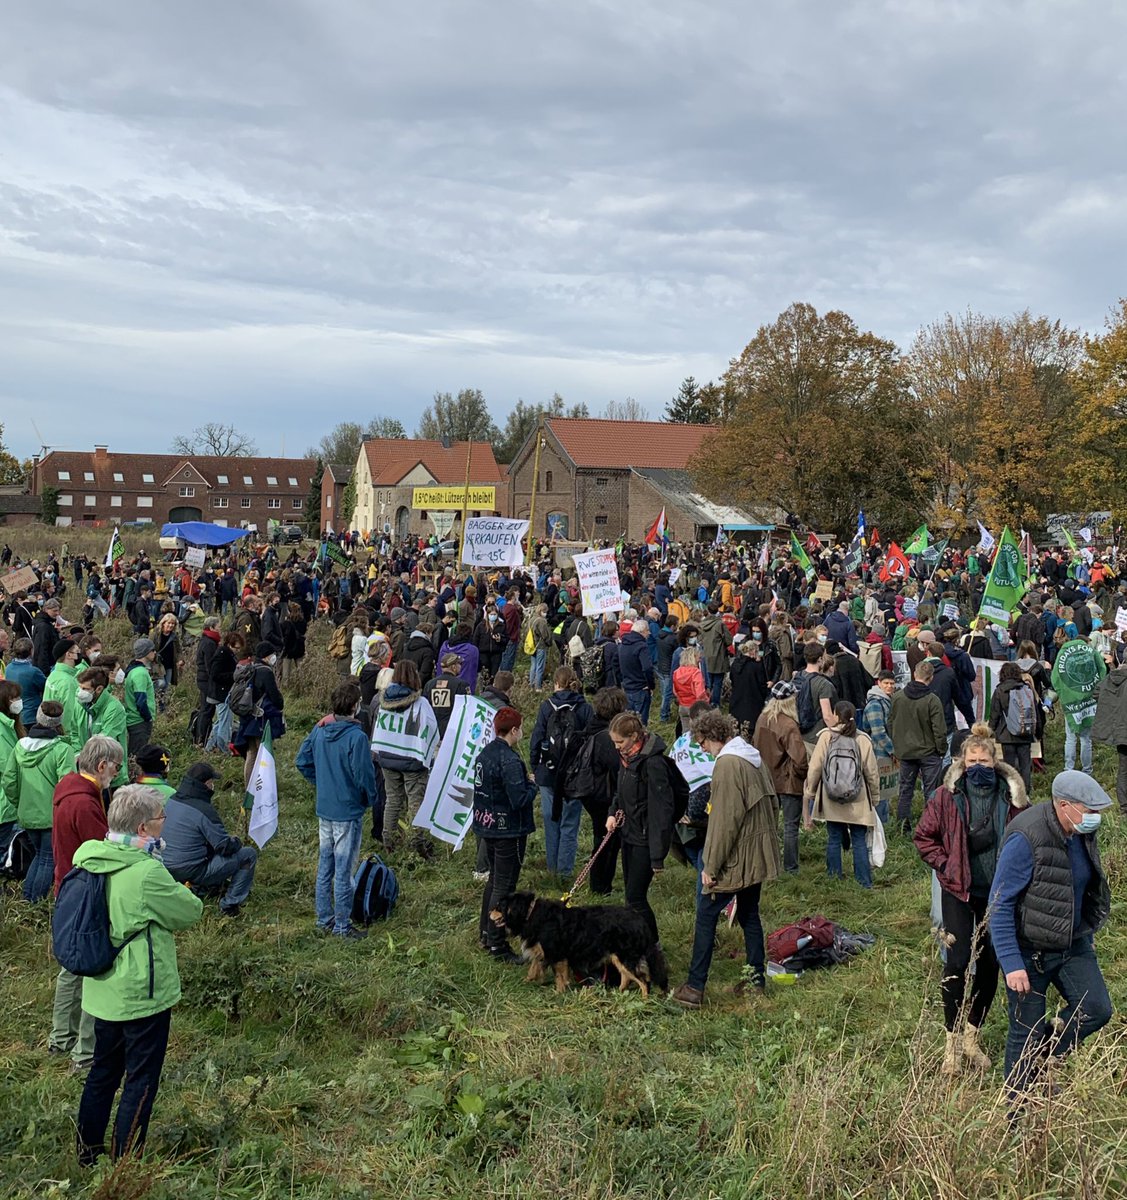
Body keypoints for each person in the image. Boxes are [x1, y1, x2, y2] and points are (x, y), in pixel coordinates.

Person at [73, 784, 202, 1165]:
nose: (165, 822)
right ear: (143, 828)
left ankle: (87, 1152)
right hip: (142, 992)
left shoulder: (91, 857)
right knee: (141, 1080)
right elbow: (190, 910)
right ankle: (125, 1161)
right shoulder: (147, 871)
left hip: (102, 987)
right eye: (162, 818)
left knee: (103, 1072)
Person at [989, 770, 1113, 1105]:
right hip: (1029, 953)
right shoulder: (1026, 838)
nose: (1095, 817)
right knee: (1025, 1034)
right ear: (1064, 805)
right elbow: (999, 905)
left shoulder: (1081, 832)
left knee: (1097, 1009)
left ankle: (1042, 1060)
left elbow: (1080, 885)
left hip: (1073, 944)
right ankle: (1017, 1113)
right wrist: (1011, 964)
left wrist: (1085, 928)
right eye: (1089, 811)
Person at [913, 724, 1029, 1076]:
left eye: (984, 761)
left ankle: (971, 1037)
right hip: (959, 889)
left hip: (998, 894)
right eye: (972, 761)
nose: (979, 766)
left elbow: (1029, 838)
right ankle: (950, 1044)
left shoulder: (1013, 797)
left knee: (991, 964)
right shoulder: (946, 796)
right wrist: (947, 863)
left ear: (995, 761)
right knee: (958, 961)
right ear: (962, 762)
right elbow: (924, 837)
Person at [672, 711, 779, 1008]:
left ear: (713, 736)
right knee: (749, 914)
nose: (702, 749)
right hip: (758, 850)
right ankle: (755, 982)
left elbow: (724, 822)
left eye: (702, 742)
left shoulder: (728, 764)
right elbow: (774, 802)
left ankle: (695, 987)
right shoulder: (752, 756)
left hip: (737, 855)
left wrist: (711, 865)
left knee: (706, 915)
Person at [49, 735, 123, 1073]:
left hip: (67, 885)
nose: (117, 773)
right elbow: (101, 852)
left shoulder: (69, 788)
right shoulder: (85, 803)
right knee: (91, 967)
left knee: (70, 967)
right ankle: (84, 1051)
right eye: (116, 767)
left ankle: (60, 1037)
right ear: (102, 765)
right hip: (85, 892)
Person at [296, 680, 379, 938]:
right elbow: (364, 775)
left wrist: (321, 783)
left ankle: (324, 918)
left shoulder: (320, 730)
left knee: (326, 865)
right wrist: (369, 798)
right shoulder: (357, 738)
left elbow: (302, 760)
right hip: (348, 810)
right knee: (344, 870)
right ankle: (343, 926)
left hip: (326, 808)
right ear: (355, 706)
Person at [473, 706, 537, 962]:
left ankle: (485, 933)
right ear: (514, 730)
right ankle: (497, 943)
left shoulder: (485, 754)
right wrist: (531, 786)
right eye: (520, 728)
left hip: (487, 826)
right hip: (508, 830)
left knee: (494, 881)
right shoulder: (509, 760)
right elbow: (518, 799)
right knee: (504, 886)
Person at [607, 712, 677, 943]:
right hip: (628, 834)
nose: (616, 747)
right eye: (614, 742)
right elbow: (620, 791)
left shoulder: (653, 764)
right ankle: (637, 941)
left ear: (634, 736)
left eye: (620, 742)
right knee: (630, 897)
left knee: (636, 898)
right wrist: (612, 813)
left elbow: (661, 811)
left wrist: (657, 856)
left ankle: (652, 945)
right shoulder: (627, 759)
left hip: (645, 841)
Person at [162, 762, 258, 916]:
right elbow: (224, 846)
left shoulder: (172, 800)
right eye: (212, 782)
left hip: (164, 867)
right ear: (206, 784)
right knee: (248, 855)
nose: (213, 786)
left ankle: (204, 889)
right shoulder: (204, 810)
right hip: (191, 870)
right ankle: (229, 905)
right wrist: (236, 842)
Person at [2, 701, 74, 902]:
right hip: (51, 815)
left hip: (27, 813)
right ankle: (35, 901)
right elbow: (67, 785)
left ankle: (28, 899)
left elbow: (9, 781)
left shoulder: (20, 746)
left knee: (39, 855)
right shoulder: (62, 750)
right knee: (48, 858)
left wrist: (20, 803)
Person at [803, 701, 879, 889]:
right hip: (858, 798)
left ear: (836, 716)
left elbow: (815, 767)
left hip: (831, 796)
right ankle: (864, 882)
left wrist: (810, 791)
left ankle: (834, 880)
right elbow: (872, 772)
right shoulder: (863, 739)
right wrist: (875, 797)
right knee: (859, 840)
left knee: (834, 838)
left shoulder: (826, 737)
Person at [529, 667, 592, 879]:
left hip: (548, 772)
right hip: (574, 774)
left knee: (551, 821)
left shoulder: (547, 707)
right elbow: (590, 741)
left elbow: (536, 738)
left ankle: (552, 870)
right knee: (570, 823)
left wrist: (535, 767)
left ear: (556, 683)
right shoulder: (584, 708)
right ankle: (565, 873)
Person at [373, 661, 438, 851]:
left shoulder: (384, 701)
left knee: (392, 800)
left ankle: (389, 842)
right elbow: (432, 728)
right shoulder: (421, 703)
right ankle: (416, 843)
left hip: (388, 757)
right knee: (415, 802)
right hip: (413, 759)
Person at [571, 687, 625, 895]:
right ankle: (601, 886)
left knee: (602, 837)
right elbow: (618, 768)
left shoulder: (592, 726)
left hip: (591, 791)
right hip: (604, 795)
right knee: (607, 841)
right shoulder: (607, 737)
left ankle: (600, 884)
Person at [752, 680, 808, 875]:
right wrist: (802, 776)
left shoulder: (762, 719)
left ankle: (769, 865)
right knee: (790, 826)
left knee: (770, 825)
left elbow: (755, 747)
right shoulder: (789, 724)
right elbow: (800, 759)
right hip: (788, 781)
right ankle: (791, 868)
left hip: (767, 779)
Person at [888, 660, 947, 835]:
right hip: (929, 752)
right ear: (931, 677)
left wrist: (898, 745)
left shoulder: (897, 697)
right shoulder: (932, 700)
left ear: (914, 674)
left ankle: (902, 827)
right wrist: (941, 750)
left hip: (906, 752)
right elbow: (939, 730)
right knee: (931, 791)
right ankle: (929, 828)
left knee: (905, 790)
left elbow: (890, 723)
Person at [1051, 624, 1107, 775]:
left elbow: (1055, 678)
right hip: (1088, 699)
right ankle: (1087, 770)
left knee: (1070, 737)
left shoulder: (1063, 652)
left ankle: (1068, 768)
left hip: (1070, 701)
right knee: (1086, 738)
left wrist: (1063, 693)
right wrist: (1096, 688)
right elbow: (1102, 669)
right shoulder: (1090, 651)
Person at [232, 643, 285, 790]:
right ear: (267, 656)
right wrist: (280, 703)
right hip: (261, 719)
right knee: (265, 753)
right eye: (272, 654)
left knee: (251, 753)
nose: (274, 657)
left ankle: (249, 788)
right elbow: (274, 696)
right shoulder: (266, 672)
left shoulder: (251, 669)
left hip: (248, 718)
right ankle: (265, 788)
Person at [988, 661, 1039, 792]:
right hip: (1025, 732)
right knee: (1025, 765)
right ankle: (1026, 791)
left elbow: (994, 714)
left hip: (1007, 734)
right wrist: (1037, 732)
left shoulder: (1000, 690)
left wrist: (990, 731)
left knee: (1009, 766)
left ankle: (1011, 791)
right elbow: (1035, 711)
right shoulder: (1026, 689)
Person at [860, 670, 897, 824]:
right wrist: (893, 751)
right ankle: (879, 825)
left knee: (886, 790)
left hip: (885, 752)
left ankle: (883, 823)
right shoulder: (875, 704)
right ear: (879, 683)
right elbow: (878, 732)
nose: (889, 686)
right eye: (886, 683)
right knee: (879, 791)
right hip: (878, 752)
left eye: (892, 683)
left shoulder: (888, 700)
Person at [1091, 658, 1127, 815]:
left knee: (1123, 769)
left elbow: (1096, 693)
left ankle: (1124, 807)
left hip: (1120, 732)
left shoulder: (1111, 678)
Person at [43, 638, 83, 752]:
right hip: (64, 738)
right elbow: (70, 714)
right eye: (77, 652)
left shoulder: (53, 675)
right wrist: (71, 741)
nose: (79, 655)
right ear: (68, 655)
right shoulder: (68, 682)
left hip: (49, 730)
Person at [423, 651, 470, 739]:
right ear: (453, 667)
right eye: (459, 664)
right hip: (452, 731)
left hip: (432, 731)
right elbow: (466, 709)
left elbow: (425, 708)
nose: (461, 666)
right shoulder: (461, 684)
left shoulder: (429, 684)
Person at [123, 638, 158, 756]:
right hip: (139, 721)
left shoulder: (133, 670)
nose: (155, 652)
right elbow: (141, 700)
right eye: (152, 650)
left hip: (135, 720)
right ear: (146, 652)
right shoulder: (140, 673)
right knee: (137, 754)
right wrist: (148, 717)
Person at [618, 617, 654, 725]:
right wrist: (651, 685)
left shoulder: (622, 645)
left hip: (627, 687)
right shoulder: (641, 646)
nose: (649, 633)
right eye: (647, 631)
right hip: (640, 688)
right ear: (642, 631)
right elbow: (647, 668)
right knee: (641, 723)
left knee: (629, 722)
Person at [193, 616, 222, 745]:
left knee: (206, 709)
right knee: (207, 710)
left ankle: (201, 737)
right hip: (206, 681)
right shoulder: (209, 643)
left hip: (203, 679)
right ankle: (202, 738)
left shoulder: (206, 640)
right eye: (218, 627)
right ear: (211, 627)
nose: (220, 629)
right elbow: (210, 665)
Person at [6, 637, 46, 727]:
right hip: (31, 714)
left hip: (14, 713)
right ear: (31, 651)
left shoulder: (8, 668)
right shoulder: (33, 671)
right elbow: (45, 686)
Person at [699, 603, 733, 705]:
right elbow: (729, 640)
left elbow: (699, 640)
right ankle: (715, 703)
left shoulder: (702, 625)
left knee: (707, 682)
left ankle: (706, 702)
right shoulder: (720, 624)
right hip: (719, 656)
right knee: (717, 683)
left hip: (705, 656)